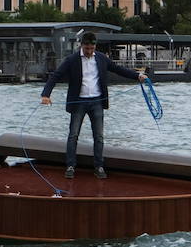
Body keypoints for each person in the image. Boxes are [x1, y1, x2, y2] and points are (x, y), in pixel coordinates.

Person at [40, 31, 146, 179]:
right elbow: (56, 76)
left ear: (95, 46)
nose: (89, 51)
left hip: (97, 102)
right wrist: (45, 95)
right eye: (86, 48)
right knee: (73, 135)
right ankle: (70, 166)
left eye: (92, 48)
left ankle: (99, 167)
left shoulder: (102, 59)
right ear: (81, 45)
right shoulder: (72, 60)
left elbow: (118, 69)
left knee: (99, 136)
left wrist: (137, 76)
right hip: (78, 103)